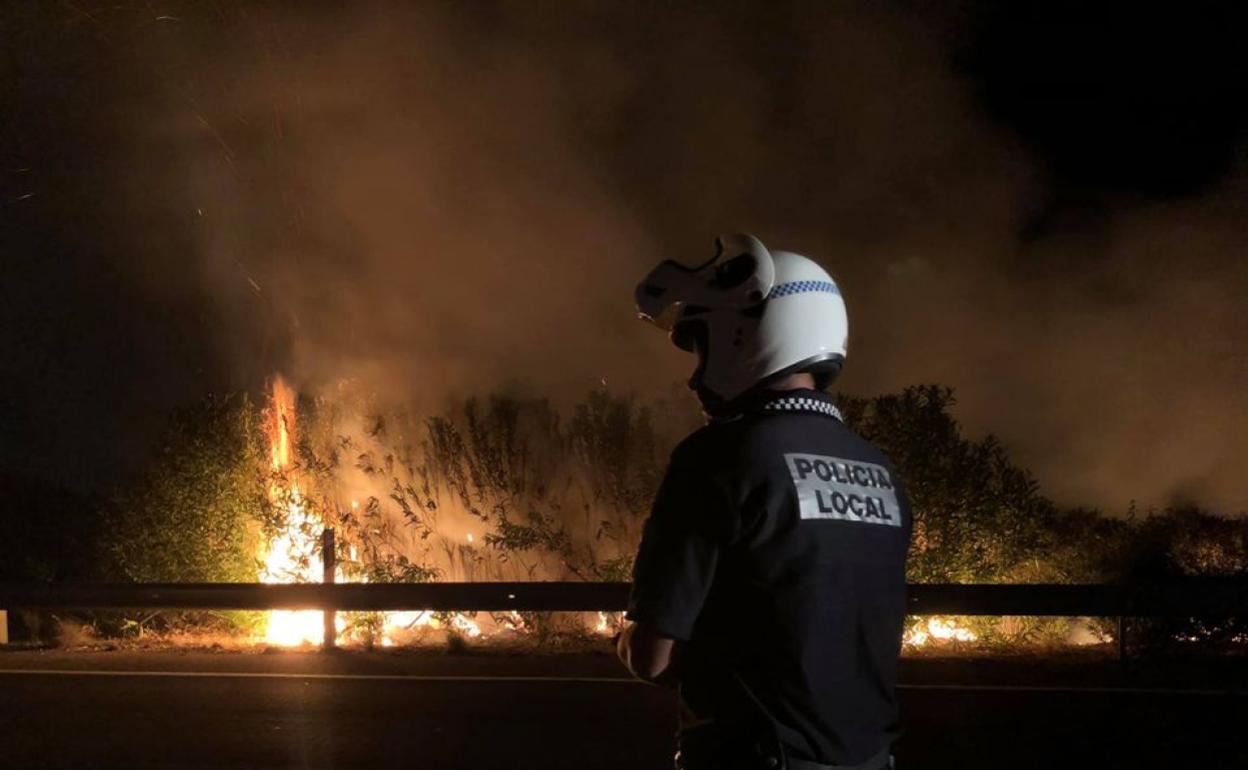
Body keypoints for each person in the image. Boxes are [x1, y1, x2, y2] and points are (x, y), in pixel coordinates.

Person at [618, 234, 911, 770]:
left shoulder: (718, 458)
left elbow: (652, 657)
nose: (695, 373)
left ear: (743, 332)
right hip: (870, 760)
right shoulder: (881, 471)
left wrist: (630, 642)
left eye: (703, 342)